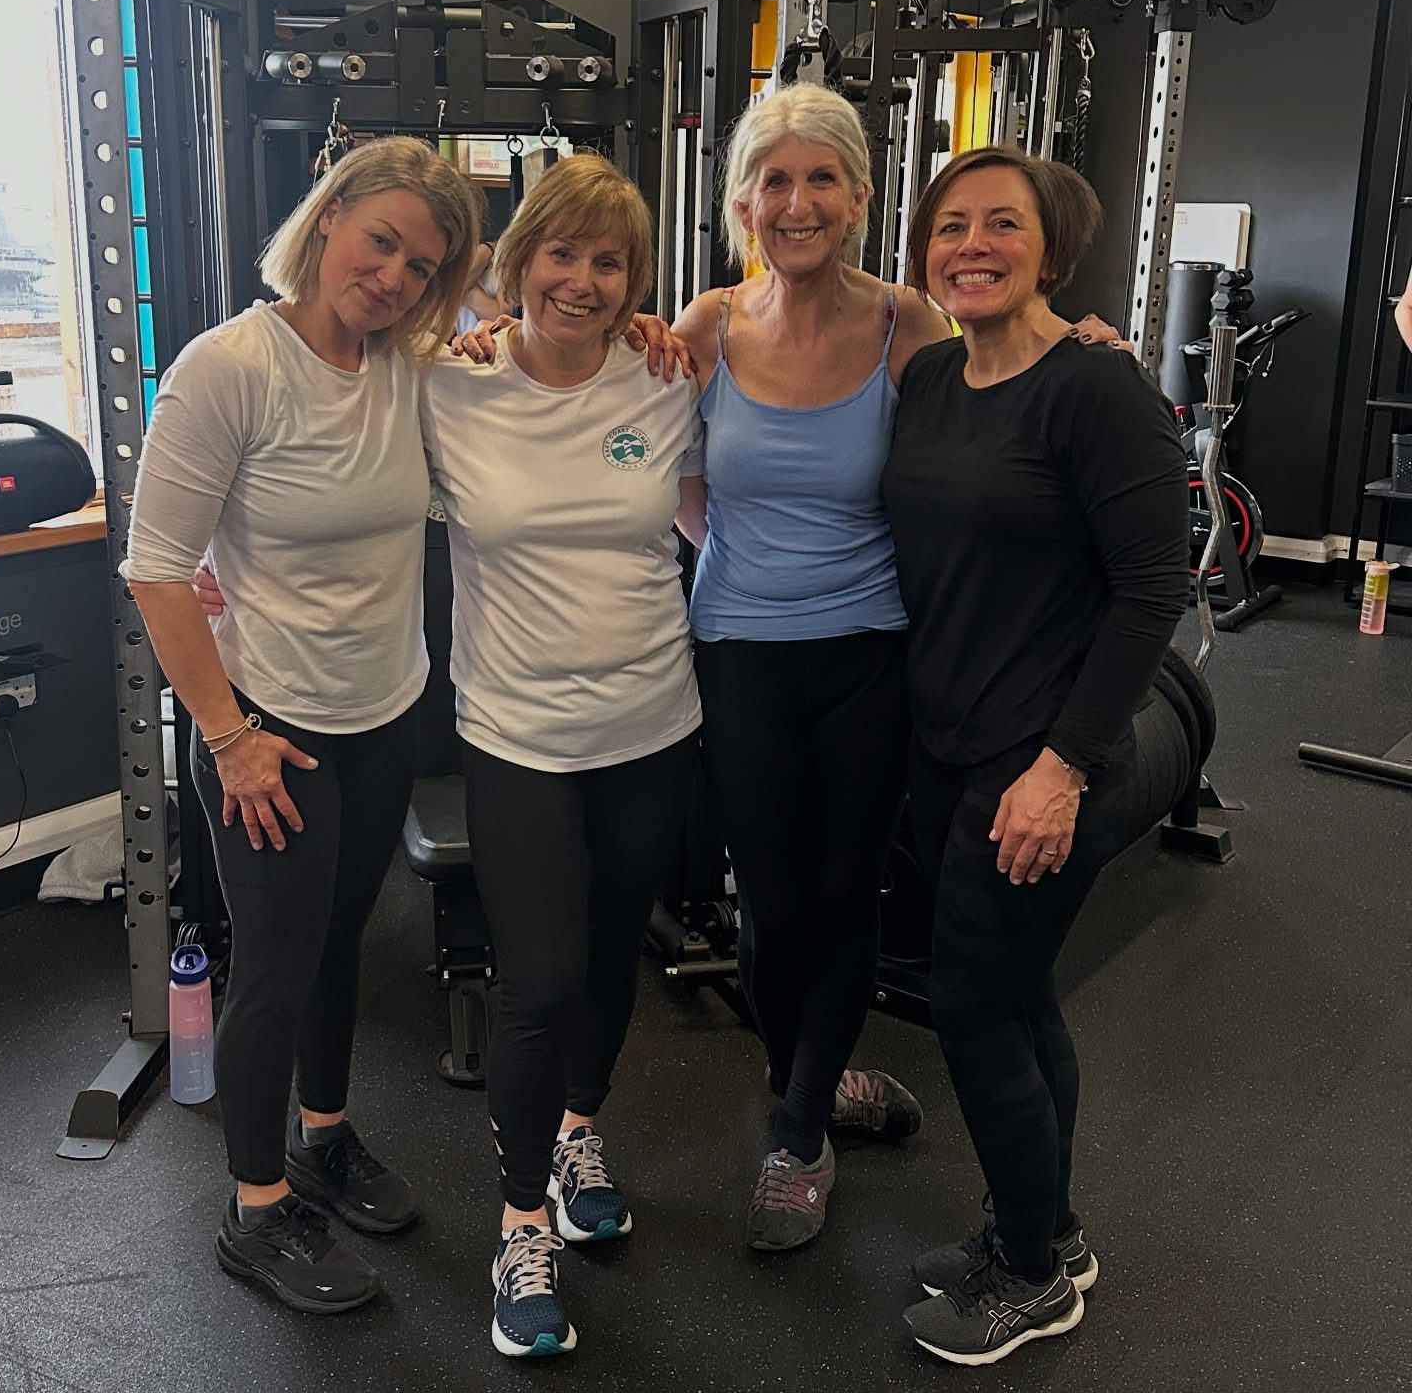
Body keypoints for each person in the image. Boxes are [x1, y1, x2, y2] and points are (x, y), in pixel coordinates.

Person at [666, 85, 1128, 1253]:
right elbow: (668, 474)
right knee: (768, 905)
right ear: (744, 203)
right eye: (776, 180)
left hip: (874, 652)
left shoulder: (906, 324)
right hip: (740, 650)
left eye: (824, 179)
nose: (799, 201)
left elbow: (1006, 368)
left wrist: (1085, 343)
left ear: (861, 199)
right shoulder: (709, 324)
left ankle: (802, 1132)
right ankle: (812, 1081)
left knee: (846, 893)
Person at [123, 136, 482, 1316]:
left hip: (382, 714)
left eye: (422, 267)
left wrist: (648, 333)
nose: (393, 276)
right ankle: (257, 1207)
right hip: (265, 728)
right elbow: (158, 571)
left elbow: (518, 356)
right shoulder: (226, 367)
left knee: (339, 948)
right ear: (328, 221)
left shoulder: (406, 367)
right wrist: (227, 737)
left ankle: (325, 1135)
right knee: (275, 966)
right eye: (381, 240)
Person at [882, 146, 1187, 1366]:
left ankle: (1029, 1272)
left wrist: (1061, 766)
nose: (972, 245)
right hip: (949, 741)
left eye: (1001, 224)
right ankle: (1046, 1226)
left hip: (1039, 762)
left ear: (1049, 248)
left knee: (969, 1005)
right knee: (1013, 998)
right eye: (950, 226)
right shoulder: (936, 379)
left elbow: (1151, 591)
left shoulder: (1100, 388)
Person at [424, 155, 704, 1358]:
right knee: (535, 985)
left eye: (609, 262)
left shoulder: (669, 371)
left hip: (654, 722)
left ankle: (581, 1124)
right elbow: (308, 415)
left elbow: (837, 340)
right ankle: (520, 1222)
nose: (582, 282)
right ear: (517, 258)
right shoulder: (450, 384)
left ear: (636, 281)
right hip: (518, 735)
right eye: (562, 253)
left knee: (605, 962)